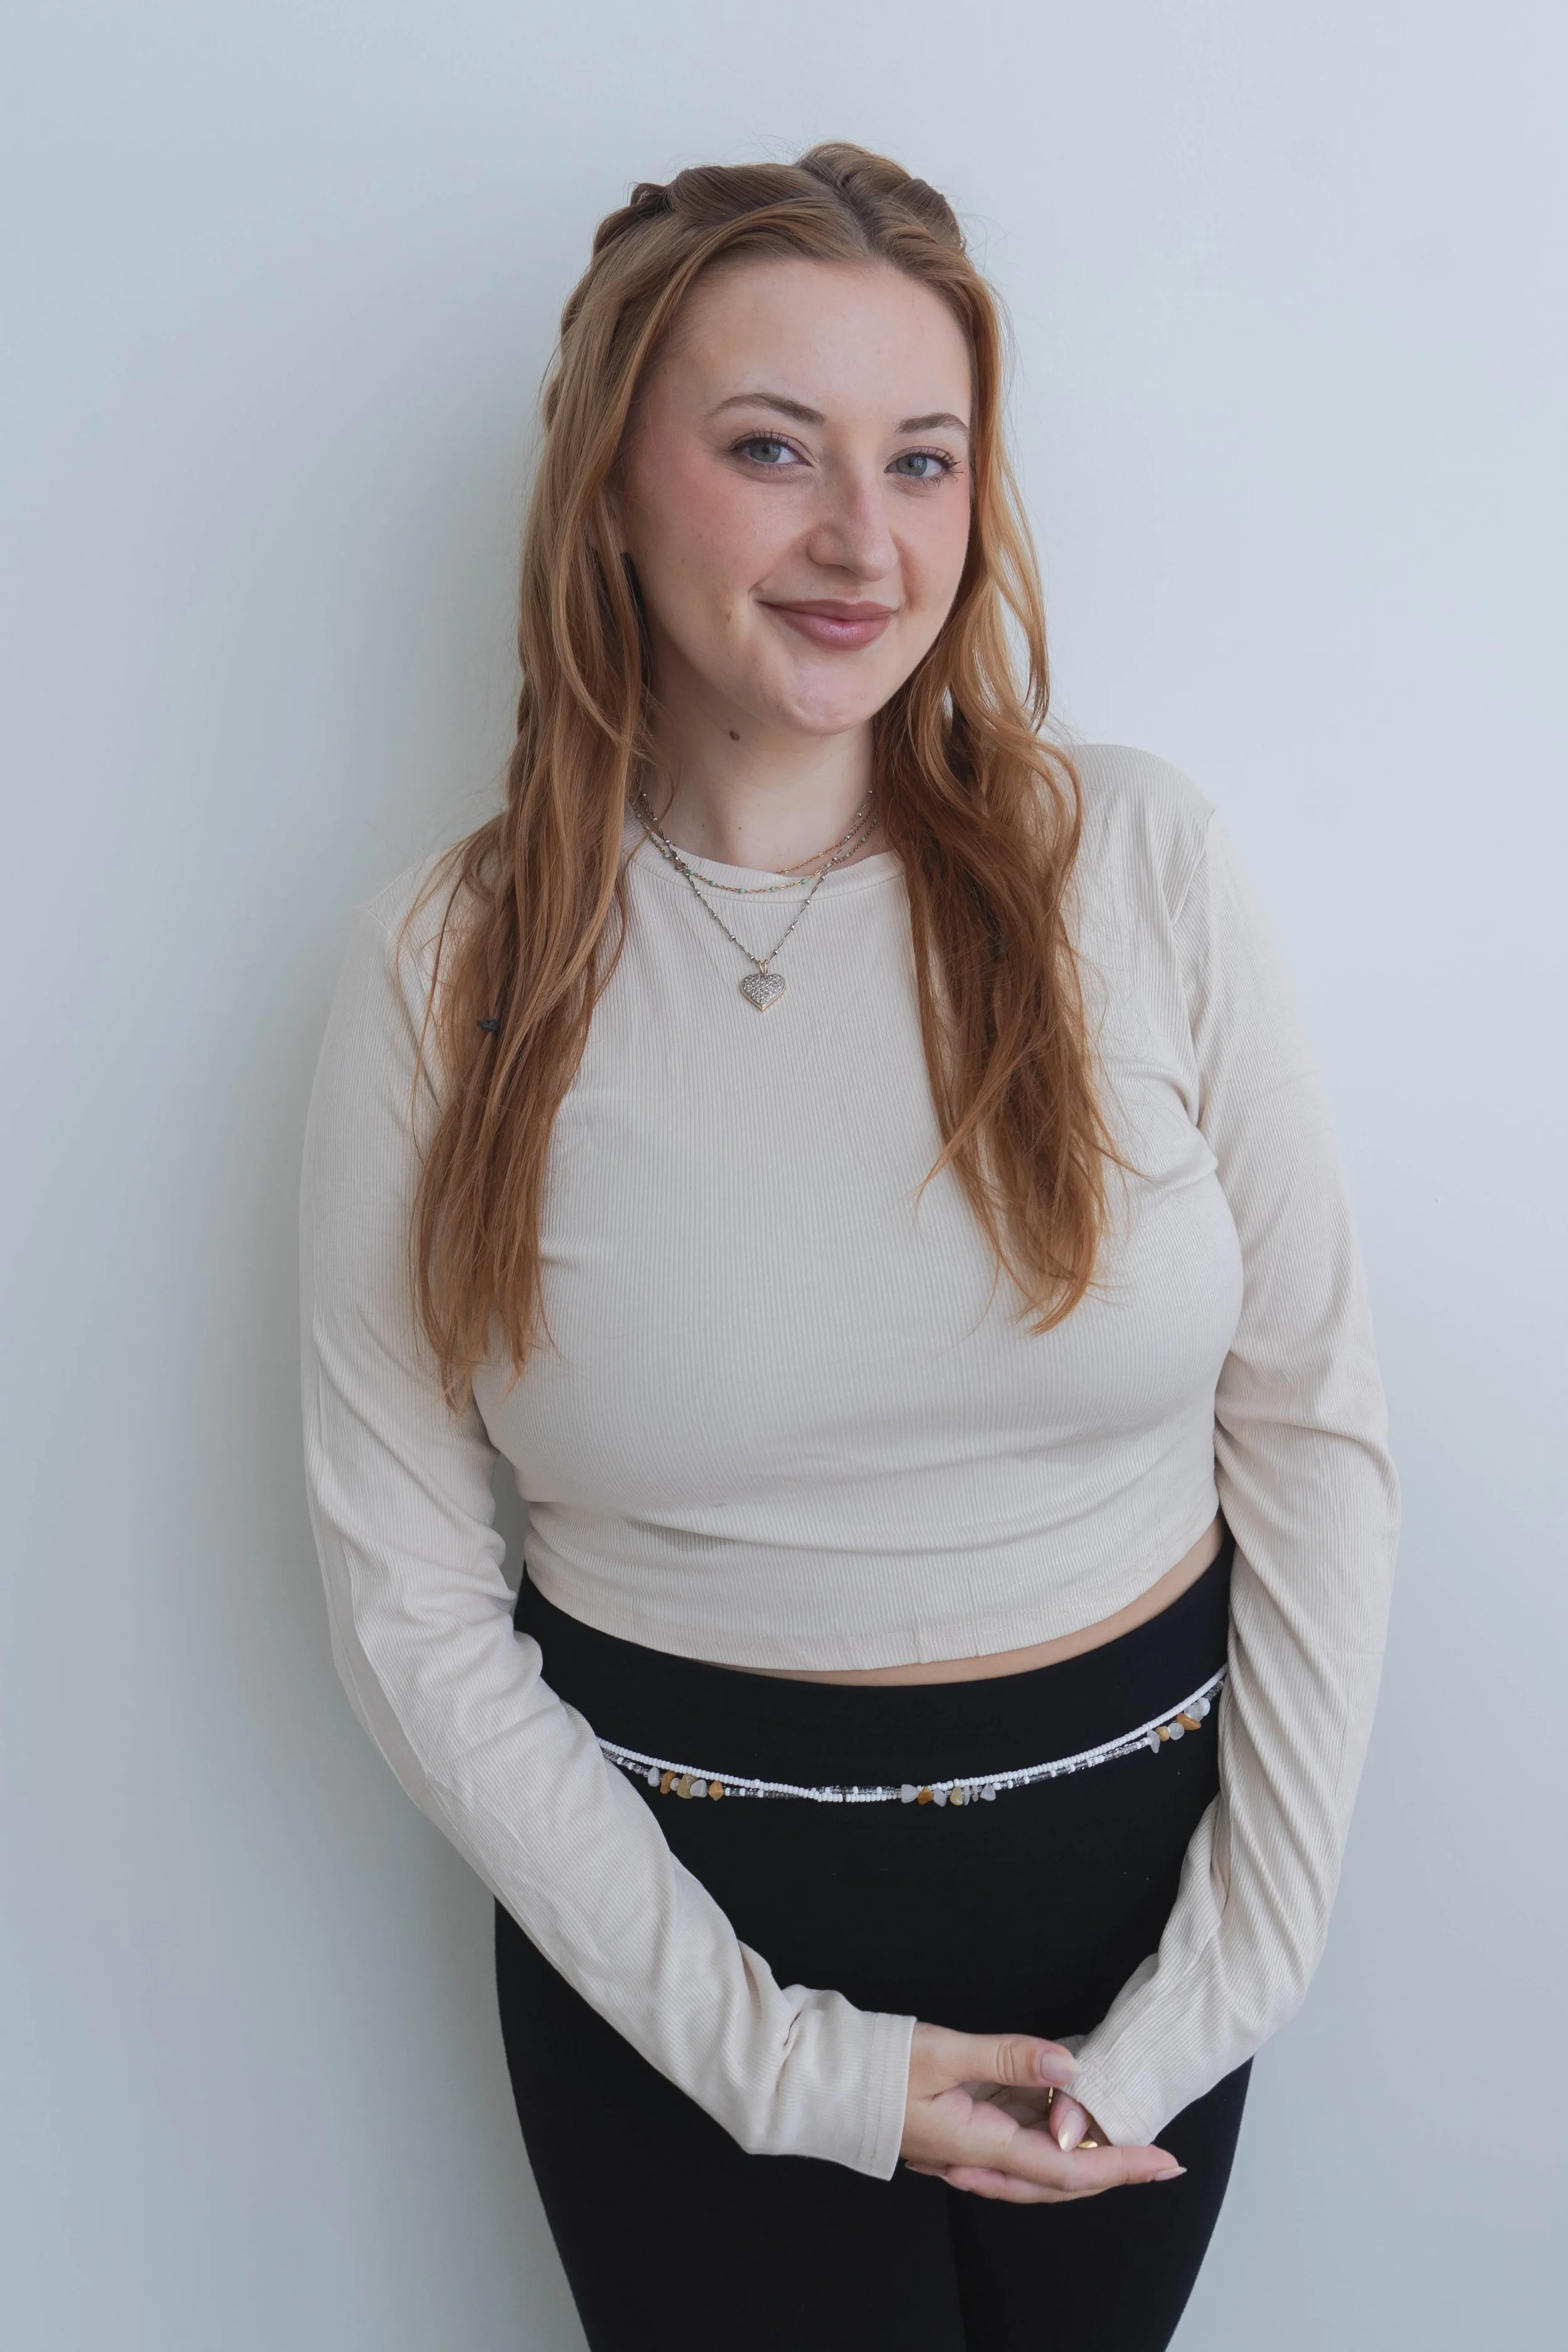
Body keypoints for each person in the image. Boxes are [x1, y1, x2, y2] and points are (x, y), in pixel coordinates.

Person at [299, 144, 1399, 2351]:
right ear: (612, 482)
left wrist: (1219, 1989)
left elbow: (1311, 1427)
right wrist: (796, 2064)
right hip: (679, 1971)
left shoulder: (1138, 862)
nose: (860, 541)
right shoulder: (453, 960)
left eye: (922, 460)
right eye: (769, 450)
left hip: (1137, 1963)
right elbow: (405, 1588)